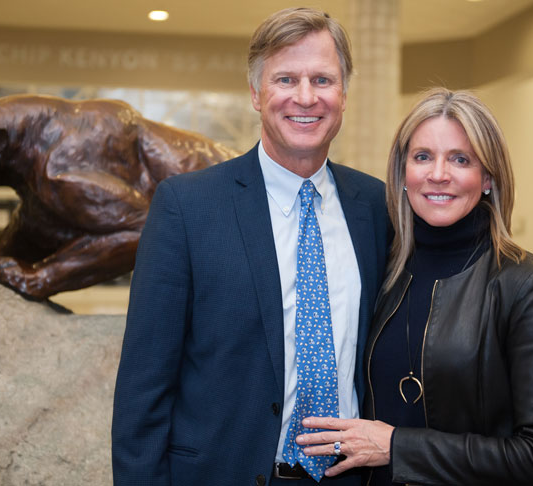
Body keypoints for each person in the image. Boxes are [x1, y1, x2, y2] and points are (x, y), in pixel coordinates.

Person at [111, 7, 389, 486]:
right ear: (257, 94)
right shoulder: (187, 207)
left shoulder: (377, 207)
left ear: (344, 95)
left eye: (323, 80)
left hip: (350, 477)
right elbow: (144, 386)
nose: (306, 97)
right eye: (286, 79)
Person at [296, 87, 533, 485]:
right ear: (402, 173)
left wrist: (397, 447)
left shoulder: (523, 283)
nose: (439, 174)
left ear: (488, 177)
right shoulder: (380, 266)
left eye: (460, 159)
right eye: (423, 156)